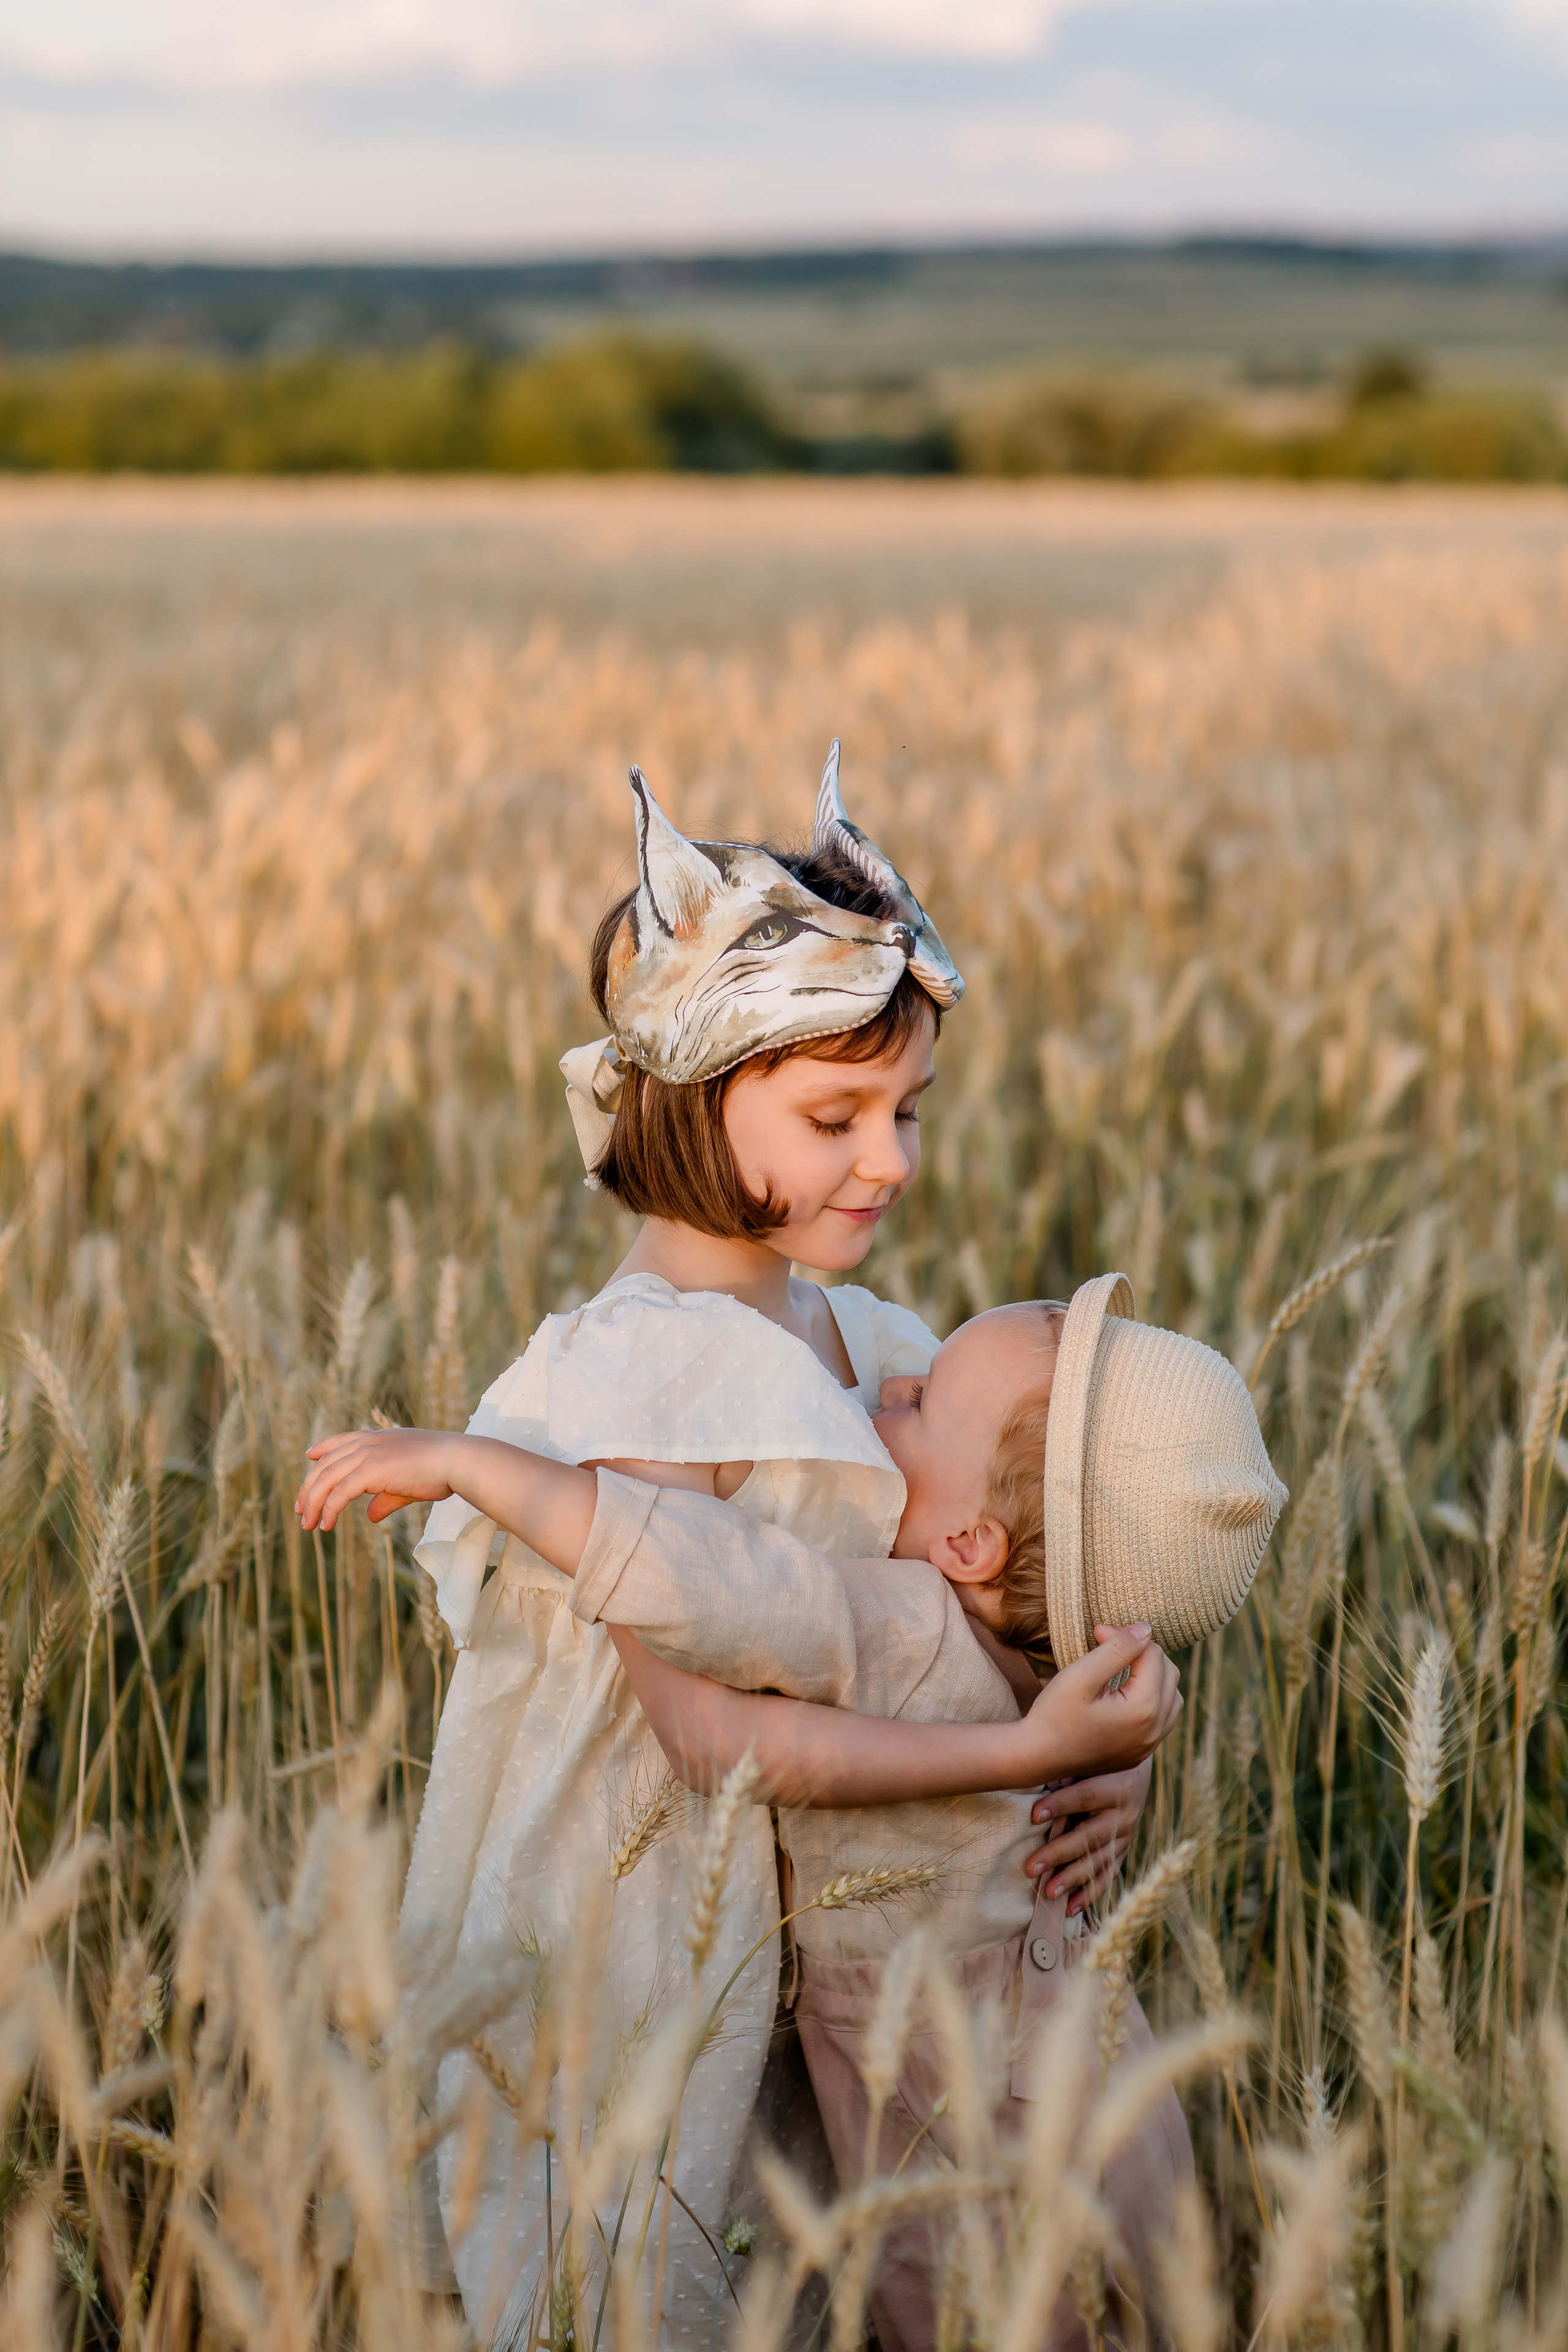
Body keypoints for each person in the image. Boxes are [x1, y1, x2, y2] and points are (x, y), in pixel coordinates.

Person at [376, 745, 1152, 2347]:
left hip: (842, 1941)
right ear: (691, 1097)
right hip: (653, 1929)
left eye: (909, 1111)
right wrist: (1005, 1756)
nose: (893, 1161)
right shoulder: (639, 1380)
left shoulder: (867, 1344)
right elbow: (706, 1734)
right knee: (652, 2271)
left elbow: (990, 1592)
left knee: (817, 2273)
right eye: (836, 1115)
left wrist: (1098, 1749)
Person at [300, 1272, 1286, 2350]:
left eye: (918, 1405)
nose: (892, 1381)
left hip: (973, 2144)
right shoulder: (1082, 1682)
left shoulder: (902, 1630)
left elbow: (700, 1576)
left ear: (971, 1548)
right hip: (1111, 2096)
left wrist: (473, 1465)